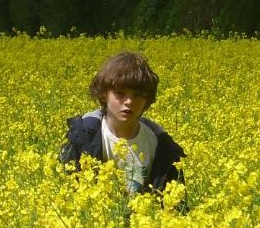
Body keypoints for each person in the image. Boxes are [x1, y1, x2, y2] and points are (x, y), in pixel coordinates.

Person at [59, 51, 186, 206]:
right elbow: (66, 197)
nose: (129, 102)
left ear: (147, 100)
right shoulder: (81, 137)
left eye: (138, 95)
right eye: (120, 93)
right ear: (105, 95)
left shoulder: (162, 147)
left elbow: (178, 208)